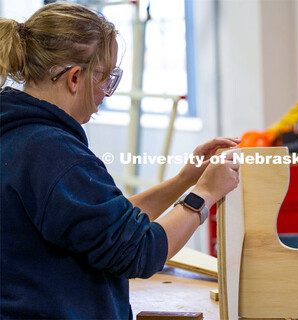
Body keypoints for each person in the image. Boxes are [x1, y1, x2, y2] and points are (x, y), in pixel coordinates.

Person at [0, 3, 239, 319]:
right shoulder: (54, 154)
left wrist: (185, 180)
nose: (106, 94)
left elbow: (107, 224)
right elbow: (139, 252)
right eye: (106, 79)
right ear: (74, 78)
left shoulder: (16, 133)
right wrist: (205, 194)